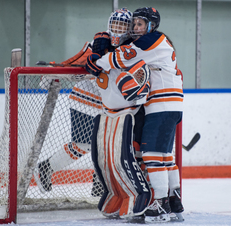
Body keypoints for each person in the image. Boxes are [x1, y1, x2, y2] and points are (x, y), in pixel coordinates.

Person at [33, 8, 145, 198]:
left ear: (129, 28)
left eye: (122, 25)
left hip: (108, 106)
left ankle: (99, 184)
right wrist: (55, 68)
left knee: (108, 146)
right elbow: (76, 60)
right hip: (84, 100)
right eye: (115, 24)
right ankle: (46, 168)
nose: (117, 29)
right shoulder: (99, 43)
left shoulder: (132, 49)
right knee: (83, 144)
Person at [86, 6, 184, 223]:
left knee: (151, 156)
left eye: (140, 24)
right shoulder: (156, 42)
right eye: (135, 24)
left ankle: (158, 206)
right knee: (165, 157)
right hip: (168, 105)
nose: (136, 28)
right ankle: (173, 201)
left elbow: (118, 58)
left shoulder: (149, 41)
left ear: (151, 26)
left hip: (162, 105)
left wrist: (96, 60)